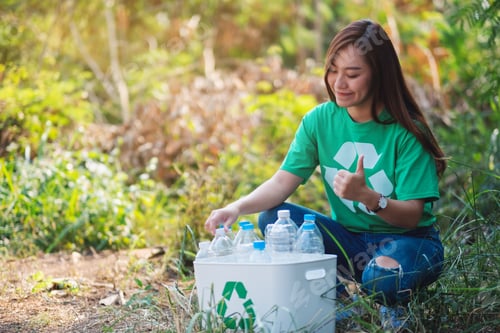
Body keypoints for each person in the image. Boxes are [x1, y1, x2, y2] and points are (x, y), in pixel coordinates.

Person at [204, 19, 447, 331]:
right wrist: (236, 207)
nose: (338, 83)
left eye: (353, 74)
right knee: (274, 219)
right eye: (333, 70)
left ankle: (392, 307)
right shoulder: (319, 121)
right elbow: (281, 182)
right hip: (353, 242)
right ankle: (339, 302)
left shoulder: (407, 132)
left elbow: (413, 216)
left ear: (379, 74)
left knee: (382, 277)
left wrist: (368, 197)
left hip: (409, 243)